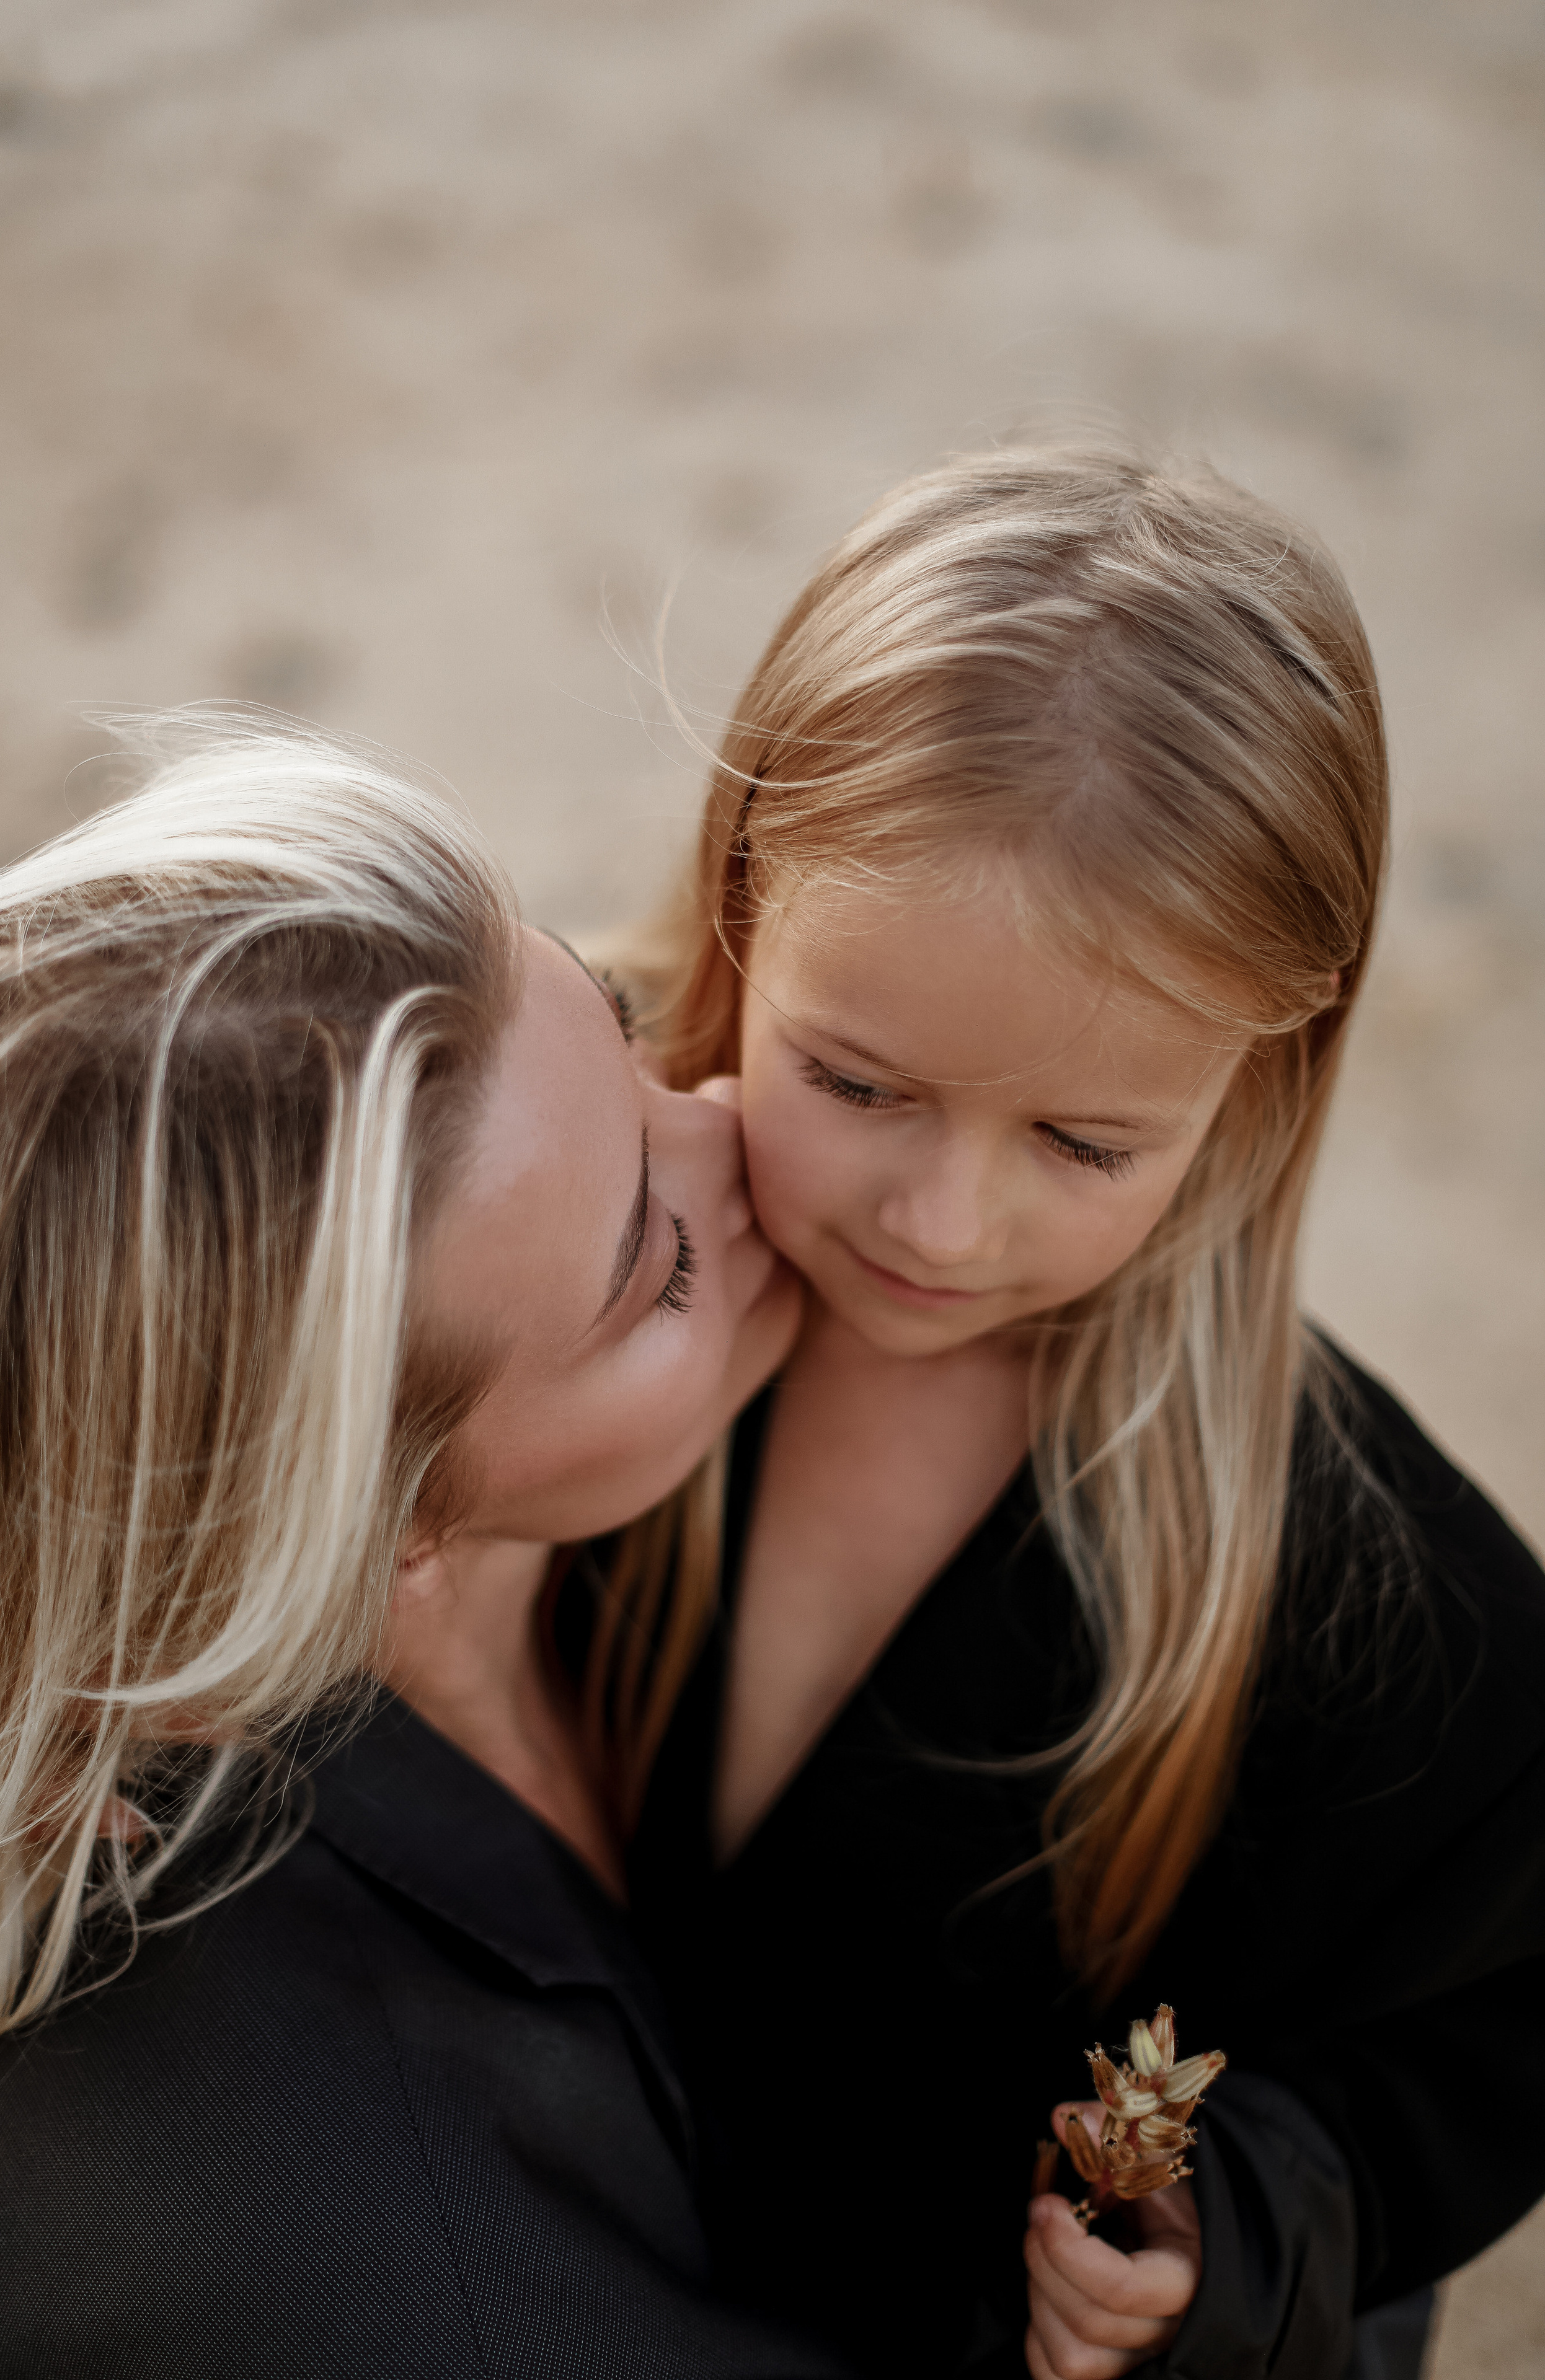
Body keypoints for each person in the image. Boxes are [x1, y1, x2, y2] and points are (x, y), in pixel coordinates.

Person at [582, 450, 1545, 2379]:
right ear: (744, 899)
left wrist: (1217, 2227)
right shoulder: (514, 1233)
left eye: (1088, 1142)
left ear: (1264, 1075)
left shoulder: (1396, 1639)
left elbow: (1438, 2061)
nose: (942, 1225)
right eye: (855, 1084)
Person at [0, 715, 847, 2379]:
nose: (733, 1126)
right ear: (351, 1539)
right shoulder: (383, 2277)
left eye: (625, 1031)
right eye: (651, 1273)